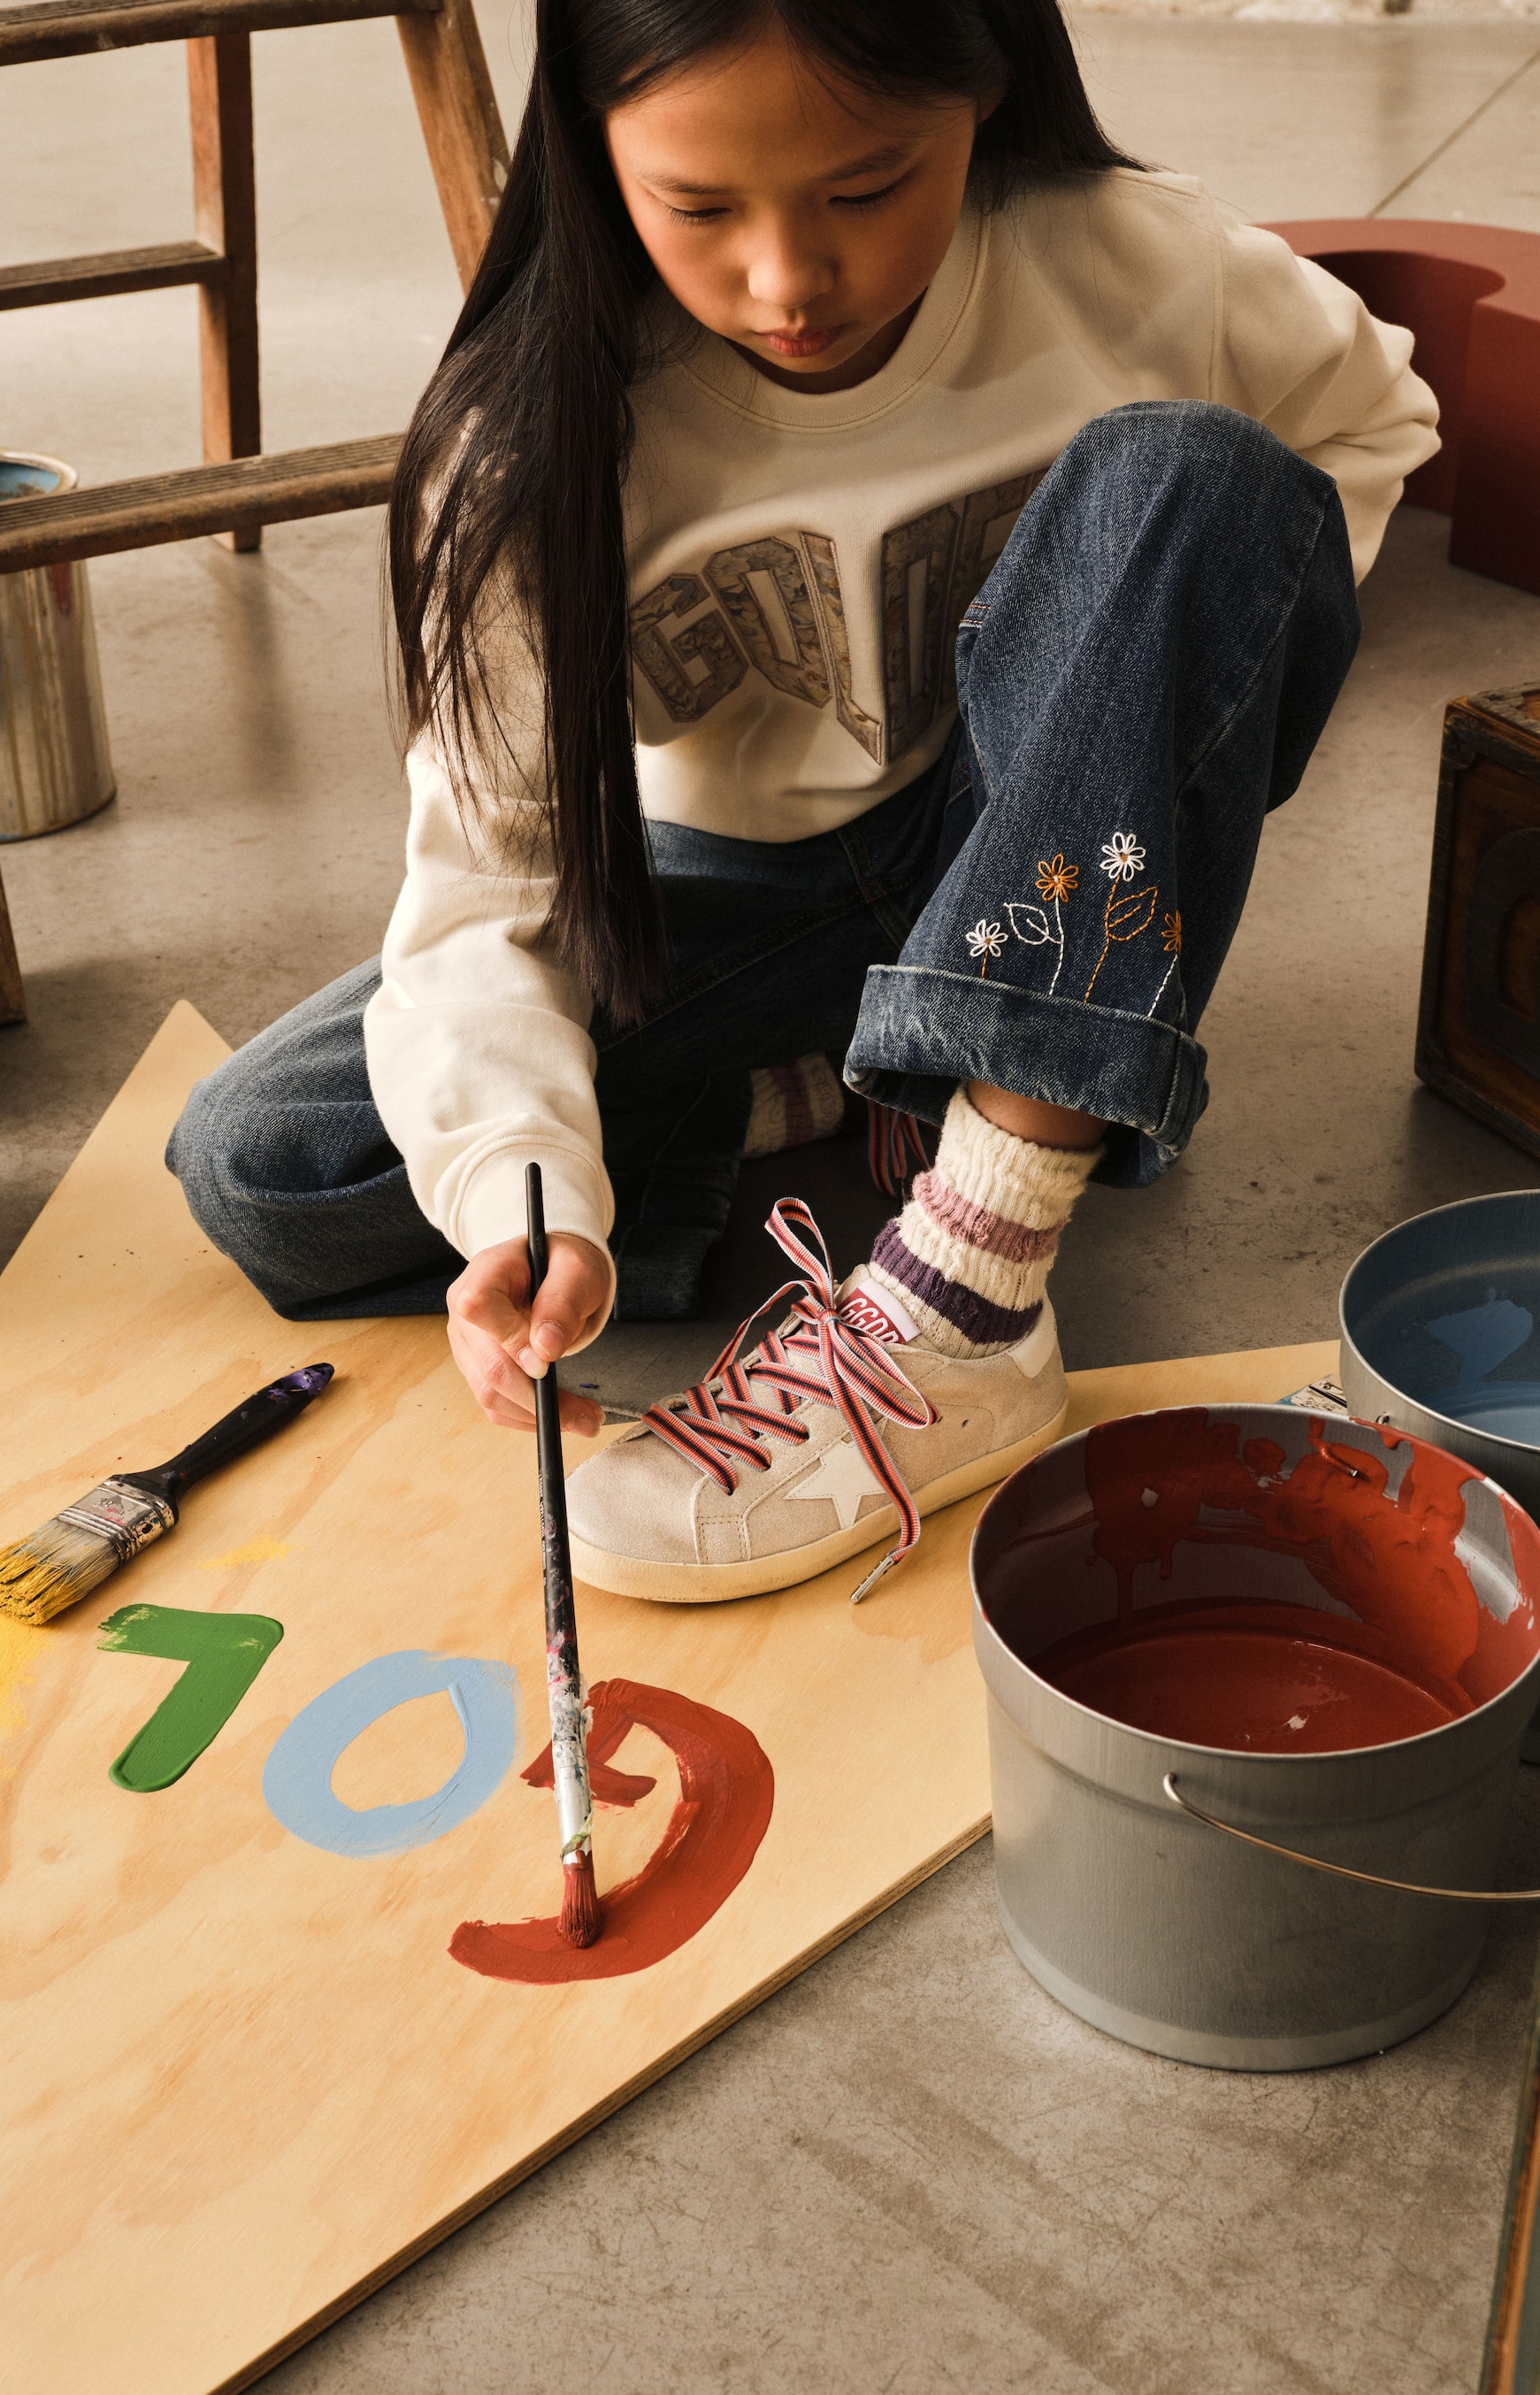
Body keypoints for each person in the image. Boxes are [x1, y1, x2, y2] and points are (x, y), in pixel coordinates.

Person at [170, 0, 1438, 1606]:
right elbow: (485, 899)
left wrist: (1193, 680)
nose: (787, 281)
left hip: (1022, 840)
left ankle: (976, 1275)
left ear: (978, 94)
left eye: (865, 190)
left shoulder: (1121, 258)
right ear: (590, 149)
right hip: (744, 895)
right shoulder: (529, 432)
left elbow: (1368, 419)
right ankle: (902, 1073)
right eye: (698, 208)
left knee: (1203, 481)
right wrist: (524, 1201)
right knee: (268, 1160)